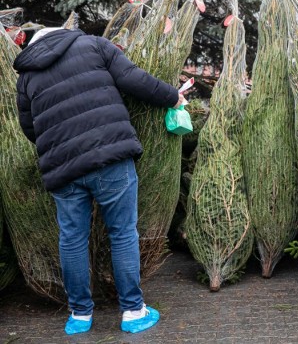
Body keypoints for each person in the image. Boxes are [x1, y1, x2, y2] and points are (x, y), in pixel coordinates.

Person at [13, 27, 185, 335]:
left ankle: (79, 315)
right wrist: (172, 97)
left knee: (71, 239)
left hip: (63, 169)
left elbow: (30, 128)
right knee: (121, 233)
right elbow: (133, 80)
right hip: (110, 156)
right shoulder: (93, 45)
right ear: (64, 33)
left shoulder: (26, 75)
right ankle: (133, 311)